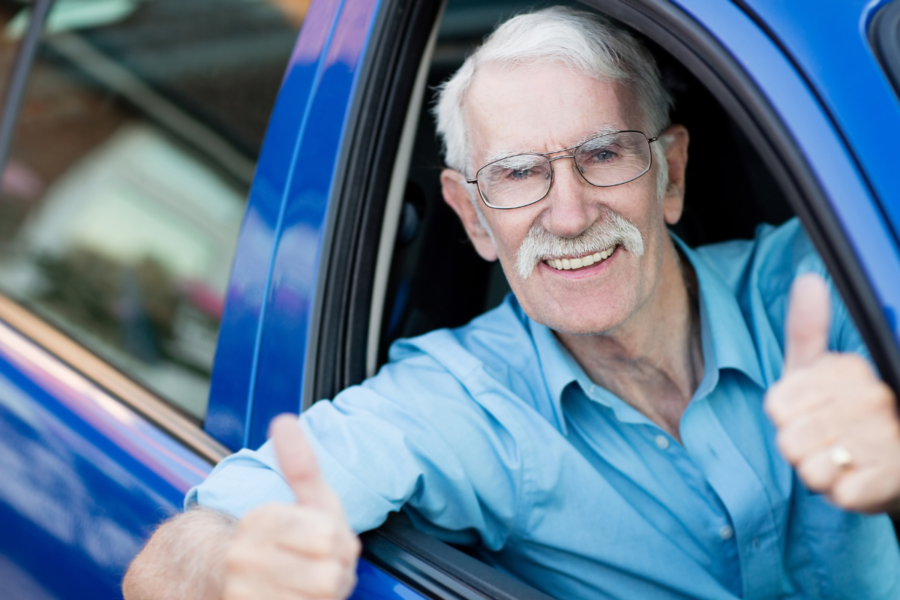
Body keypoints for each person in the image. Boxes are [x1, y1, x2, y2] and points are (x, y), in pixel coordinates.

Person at [123, 7, 900, 600]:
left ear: (672, 174)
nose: (568, 214)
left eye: (602, 155)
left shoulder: (824, 279)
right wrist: (234, 569)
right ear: (472, 216)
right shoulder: (460, 403)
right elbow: (173, 561)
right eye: (519, 175)